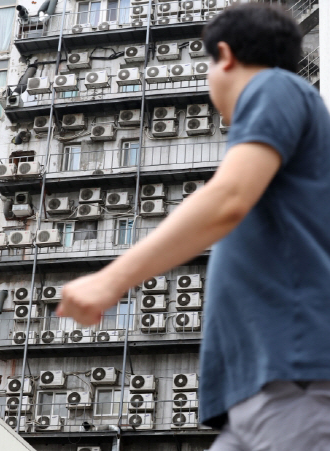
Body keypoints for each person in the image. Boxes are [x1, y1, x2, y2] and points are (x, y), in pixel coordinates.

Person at [57, 3, 330, 449]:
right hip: (254, 397)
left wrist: (111, 279)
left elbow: (227, 199)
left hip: (293, 380)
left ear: (224, 56)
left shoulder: (274, 86)